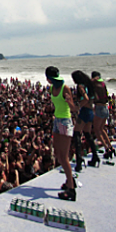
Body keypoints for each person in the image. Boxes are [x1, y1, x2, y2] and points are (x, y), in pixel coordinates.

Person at [45, 66, 77, 201]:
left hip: (65, 121)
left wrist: (70, 102)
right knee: (57, 153)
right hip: (57, 120)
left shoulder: (65, 88)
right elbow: (55, 104)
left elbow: (74, 109)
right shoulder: (52, 88)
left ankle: (71, 189)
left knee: (64, 156)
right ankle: (70, 180)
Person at [71, 70, 100, 170]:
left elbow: (86, 98)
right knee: (87, 134)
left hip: (84, 111)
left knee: (77, 134)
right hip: (91, 111)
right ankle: (95, 156)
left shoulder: (80, 86)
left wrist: (77, 106)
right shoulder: (89, 85)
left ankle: (79, 160)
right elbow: (93, 97)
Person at [91, 72, 115, 159]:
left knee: (97, 130)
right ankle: (110, 147)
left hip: (99, 108)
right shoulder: (103, 84)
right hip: (106, 107)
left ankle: (106, 148)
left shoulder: (94, 84)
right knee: (102, 129)